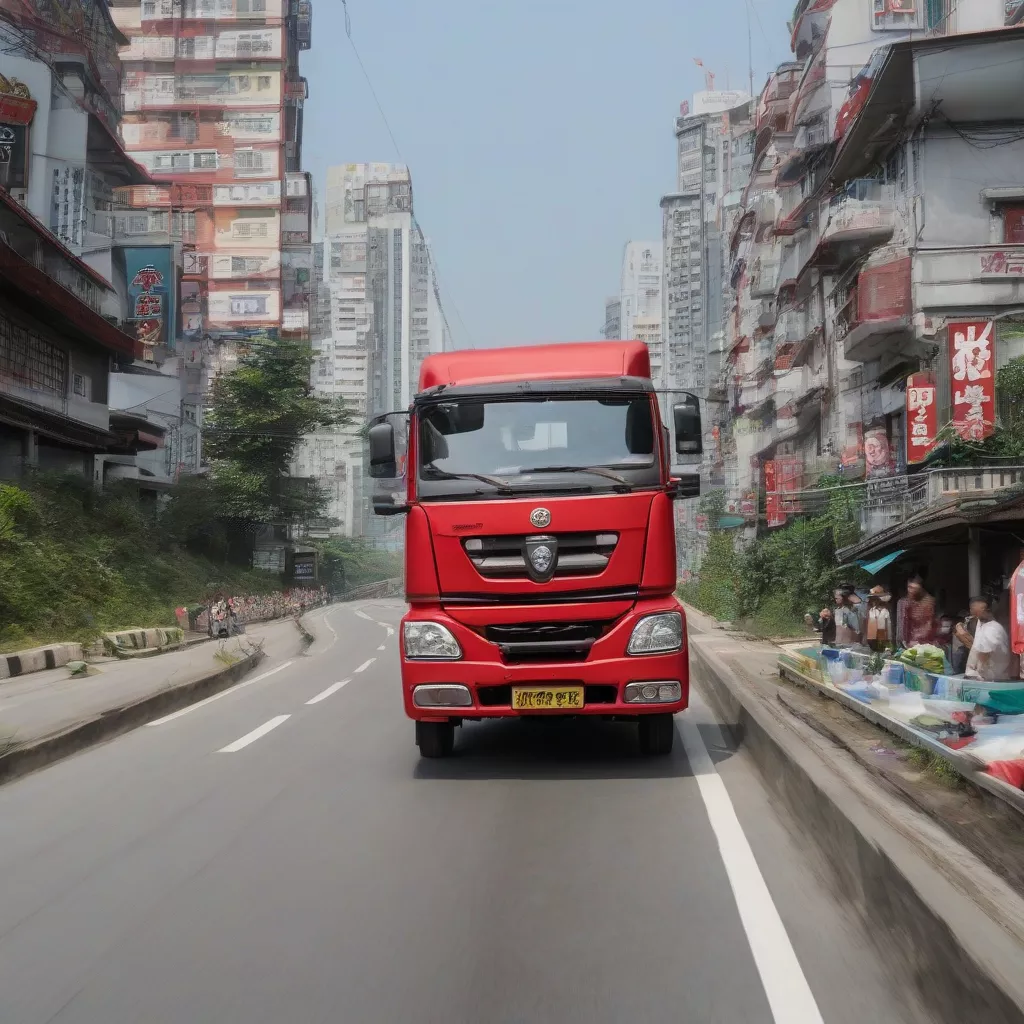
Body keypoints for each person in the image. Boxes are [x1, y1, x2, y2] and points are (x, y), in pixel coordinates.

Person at [963, 596, 1012, 681]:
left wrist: (979, 672)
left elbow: (984, 653)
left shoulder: (992, 629)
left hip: (993, 679)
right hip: (985, 677)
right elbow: (978, 647)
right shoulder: (982, 624)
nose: (971, 613)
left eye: (973, 609)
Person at [897, 575, 938, 647]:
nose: (910, 590)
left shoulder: (929, 601)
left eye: (912, 588)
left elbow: (932, 623)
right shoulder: (905, 602)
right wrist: (904, 641)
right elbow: (903, 624)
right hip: (911, 642)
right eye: (908, 587)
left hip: (927, 642)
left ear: (921, 588)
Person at [864, 585, 893, 651]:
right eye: (873, 599)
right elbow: (868, 624)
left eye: (875, 599)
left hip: (882, 635)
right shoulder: (871, 610)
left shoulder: (885, 611)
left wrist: (889, 639)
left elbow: (888, 625)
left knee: (881, 649)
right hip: (871, 637)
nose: (874, 601)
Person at [952, 609, 977, 675]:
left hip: (963, 650)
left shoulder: (966, 625)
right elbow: (962, 634)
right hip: (958, 651)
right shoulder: (959, 626)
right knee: (957, 668)